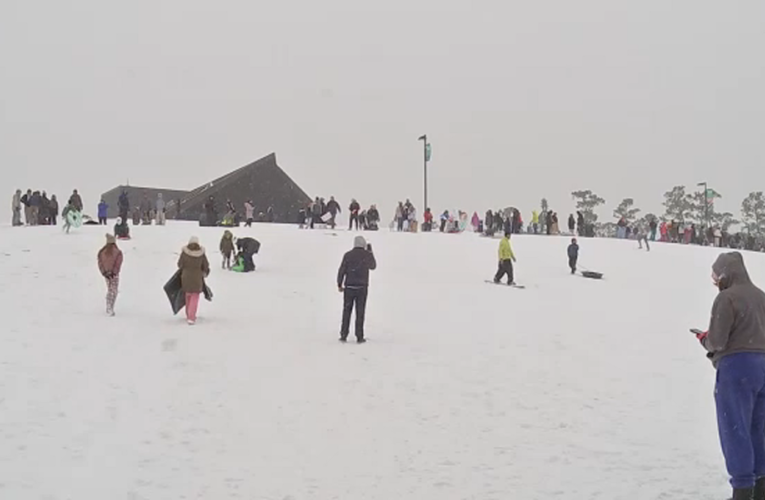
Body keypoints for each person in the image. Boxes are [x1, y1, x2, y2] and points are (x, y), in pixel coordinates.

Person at [694, 252, 765, 500]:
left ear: (726, 274)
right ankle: (760, 489)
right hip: (763, 366)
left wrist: (705, 340)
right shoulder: (761, 296)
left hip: (738, 368)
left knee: (735, 428)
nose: (715, 282)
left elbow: (718, 341)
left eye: (716, 277)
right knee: (759, 428)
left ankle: (742, 492)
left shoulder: (727, 298)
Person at [337, 235, 376, 343]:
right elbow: (373, 266)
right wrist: (370, 252)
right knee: (360, 312)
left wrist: (339, 284)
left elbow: (342, 270)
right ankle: (359, 336)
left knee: (346, 311)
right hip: (362, 288)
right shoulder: (366, 255)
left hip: (349, 287)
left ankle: (343, 334)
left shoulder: (348, 255)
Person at [177, 236, 210, 325]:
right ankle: (191, 317)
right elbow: (206, 265)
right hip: (197, 277)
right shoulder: (201, 254)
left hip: (185, 277)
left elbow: (180, 264)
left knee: (188, 296)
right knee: (195, 297)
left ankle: (188, 314)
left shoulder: (184, 253)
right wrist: (205, 272)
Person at [97, 234, 123, 316]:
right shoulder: (118, 252)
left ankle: (108, 305)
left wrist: (104, 272)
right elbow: (118, 264)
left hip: (106, 275)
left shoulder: (101, 252)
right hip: (114, 275)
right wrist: (114, 272)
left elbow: (100, 264)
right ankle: (110, 306)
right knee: (114, 290)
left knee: (109, 289)